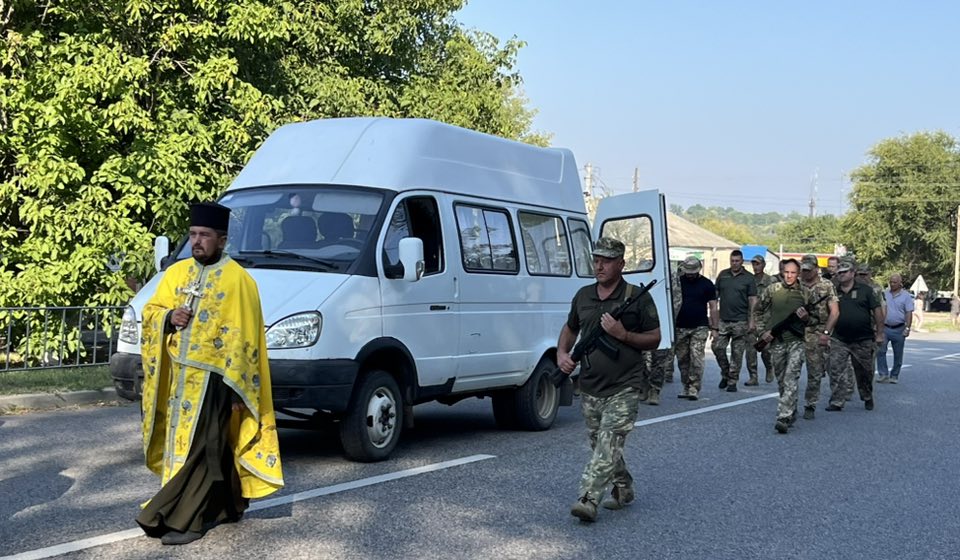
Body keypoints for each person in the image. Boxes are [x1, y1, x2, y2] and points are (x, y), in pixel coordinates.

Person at [138, 202, 284, 545]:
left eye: (204, 235)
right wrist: (169, 317)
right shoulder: (176, 274)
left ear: (222, 239)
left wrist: (236, 391)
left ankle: (186, 519)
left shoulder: (239, 281)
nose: (197, 241)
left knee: (202, 449)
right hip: (179, 379)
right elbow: (152, 310)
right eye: (192, 234)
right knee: (203, 447)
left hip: (218, 380)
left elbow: (246, 340)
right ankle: (227, 504)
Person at [558, 237, 661, 522]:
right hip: (591, 386)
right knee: (602, 445)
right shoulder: (583, 295)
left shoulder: (636, 297)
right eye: (596, 260)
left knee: (607, 442)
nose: (599, 266)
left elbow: (655, 338)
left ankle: (588, 498)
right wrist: (562, 353)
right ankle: (623, 487)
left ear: (621, 264)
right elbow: (570, 328)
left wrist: (622, 334)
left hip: (625, 386)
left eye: (606, 261)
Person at [754, 259, 813, 434]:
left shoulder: (806, 293)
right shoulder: (772, 290)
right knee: (781, 380)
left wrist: (806, 318)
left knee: (790, 378)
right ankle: (791, 409)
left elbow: (817, 319)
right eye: (786, 272)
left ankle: (783, 416)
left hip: (797, 341)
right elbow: (758, 310)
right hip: (776, 341)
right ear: (782, 272)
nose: (789, 276)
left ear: (798, 274)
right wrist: (762, 331)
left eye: (793, 273)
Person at [825, 258, 884, 412]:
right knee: (836, 370)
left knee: (864, 371)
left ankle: (867, 396)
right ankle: (837, 401)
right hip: (839, 338)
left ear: (852, 273)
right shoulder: (834, 291)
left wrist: (879, 333)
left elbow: (877, 311)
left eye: (844, 272)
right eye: (839, 272)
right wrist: (826, 333)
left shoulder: (866, 290)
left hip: (862, 338)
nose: (841, 275)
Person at [798, 255, 839, 420]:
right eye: (803, 270)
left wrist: (826, 333)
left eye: (809, 270)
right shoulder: (796, 284)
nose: (806, 273)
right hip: (796, 331)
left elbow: (835, 312)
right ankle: (788, 405)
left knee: (814, 371)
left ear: (816, 269)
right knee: (790, 370)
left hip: (817, 331)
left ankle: (810, 404)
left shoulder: (826, 285)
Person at [712, 250, 757, 392]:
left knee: (737, 353)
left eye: (737, 261)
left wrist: (752, 320)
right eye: (732, 261)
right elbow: (714, 297)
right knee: (717, 347)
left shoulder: (749, 278)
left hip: (740, 320)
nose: (735, 263)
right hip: (724, 319)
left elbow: (753, 300)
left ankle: (732, 381)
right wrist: (713, 320)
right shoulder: (723, 275)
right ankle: (725, 373)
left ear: (742, 261)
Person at [674, 256, 718, 401]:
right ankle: (686, 386)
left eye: (693, 272)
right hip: (680, 326)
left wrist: (715, 328)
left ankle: (694, 387)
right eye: (688, 272)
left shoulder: (707, 284)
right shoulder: (678, 283)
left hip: (700, 326)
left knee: (696, 357)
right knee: (682, 359)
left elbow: (713, 307)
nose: (690, 275)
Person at [642, 266, 682, 404]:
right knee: (640, 358)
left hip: (662, 322)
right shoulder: (639, 270)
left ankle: (655, 389)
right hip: (643, 324)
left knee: (659, 359)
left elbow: (677, 300)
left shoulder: (669, 273)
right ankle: (644, 385)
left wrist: (668, 321)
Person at [876, 273, 914, 384]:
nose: (892, 284)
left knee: (898, 353)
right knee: (880, 351)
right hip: (885, 327)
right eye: (891, 282)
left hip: (899, 328)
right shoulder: (885, 294)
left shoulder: (905, 296)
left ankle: (894, 375)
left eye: (895, 282)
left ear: (900, 283)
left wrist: (908, 327)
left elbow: (909, 312)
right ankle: (883, 374)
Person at [746, 254, 775, 384]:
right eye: (753, 264)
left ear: (763, 265)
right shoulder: (749, 280)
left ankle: (769, 367)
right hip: (751, 319)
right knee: (751, 350)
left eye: (758, 264)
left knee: (766, 348)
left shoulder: (771, 281)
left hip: (766, 320)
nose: (755, 266)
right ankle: (753, 377)